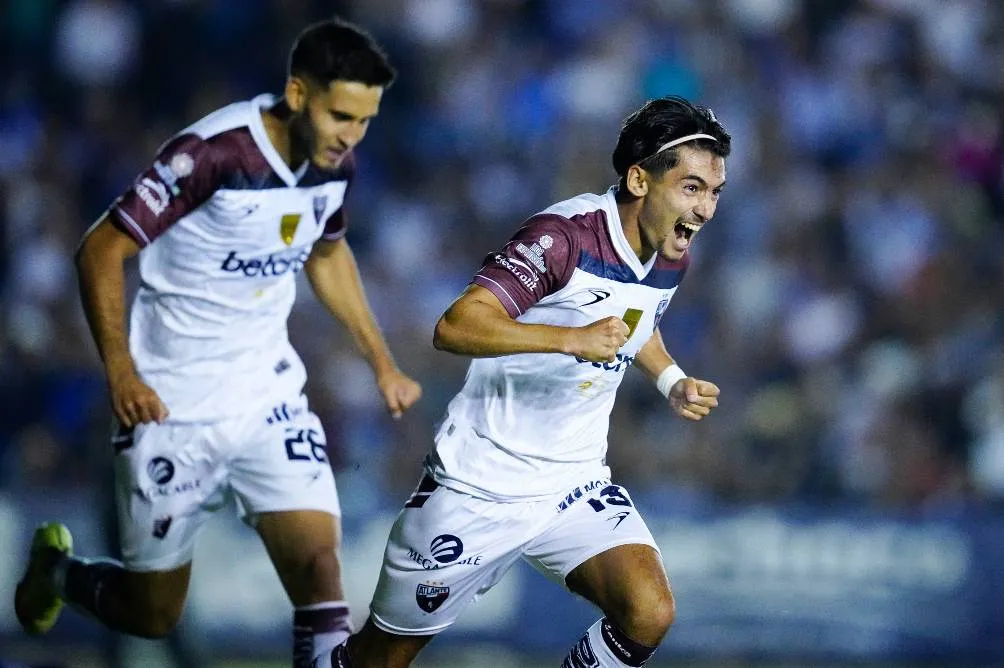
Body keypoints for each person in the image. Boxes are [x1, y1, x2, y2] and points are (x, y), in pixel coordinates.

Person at [14, 17, 422, 668]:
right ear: (296, 94)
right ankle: (58, 572)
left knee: (321, 570)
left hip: (267, 393)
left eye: (365, 120)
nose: (353, 135)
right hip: (171, 404)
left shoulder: (334, 164)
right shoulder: (212, 155)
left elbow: (327, 251)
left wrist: (381, 361)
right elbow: (100, 250)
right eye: (342, 115)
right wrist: (120, 372)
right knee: (151, 614)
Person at [316, 95, 731, 668]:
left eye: (714, 192)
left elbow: (639, 326)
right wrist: (570, 339)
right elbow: (457, 324)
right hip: (478, 486)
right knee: (377, 660)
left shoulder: (670, 254)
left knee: (649, 611)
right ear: (639, 179)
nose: (706, 208)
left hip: (573, 483)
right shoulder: (564, 237)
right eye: (692, 188)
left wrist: (671, 380)